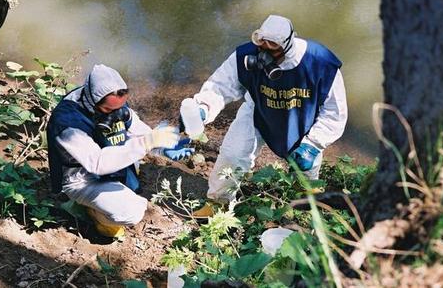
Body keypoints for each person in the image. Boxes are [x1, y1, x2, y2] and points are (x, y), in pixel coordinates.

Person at [180, 15, 348, 216]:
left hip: (301, 119)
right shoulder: (244, 56)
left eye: (273, 49)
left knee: (306, 171)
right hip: (258, 110)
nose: (265, 55)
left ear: (287, 45)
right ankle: (219, 205)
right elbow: (220, 85)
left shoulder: (320, 63)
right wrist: (203, 108)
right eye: (262, 47)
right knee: (232, 155)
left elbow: (335, 112)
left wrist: (313, 145)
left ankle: (306, 212)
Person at [47, 64, 193, 237]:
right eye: (109, 110)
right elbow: (98, 164)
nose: (115, 113)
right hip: (83, 178)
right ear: (93, 101)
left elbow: (138, 130)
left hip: (112, 162)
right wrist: (147, 143)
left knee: (133, 188)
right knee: (132, 212)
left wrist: (162, 147)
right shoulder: (69, 122)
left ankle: (107, 200)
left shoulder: (114, 99)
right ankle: (93, 214)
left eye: (120, 107)